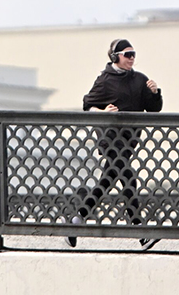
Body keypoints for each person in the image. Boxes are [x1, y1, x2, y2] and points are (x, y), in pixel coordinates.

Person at [66, 38, 163, 250]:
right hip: (109, 137)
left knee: (108, 179)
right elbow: (88, 105)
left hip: (130, 139)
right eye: (128, 54)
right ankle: (140, 231)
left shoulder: (140, 80)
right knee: (128, 179)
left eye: (134, 54)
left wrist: (155, 93)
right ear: (115, 56)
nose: (132, 58)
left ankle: (76, 221)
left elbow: (153, 109)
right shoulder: (105, 80)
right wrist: (103, 113)